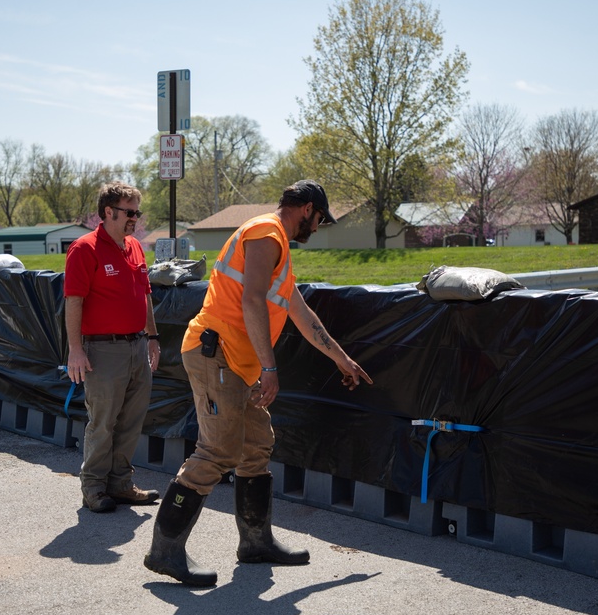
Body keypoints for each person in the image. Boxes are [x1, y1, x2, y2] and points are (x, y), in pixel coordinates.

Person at [144, 179, 373, 586]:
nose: (317, 227)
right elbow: (251, 299)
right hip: (218, 356)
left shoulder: (278, 250)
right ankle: (164, 551)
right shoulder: (267, 232)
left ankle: (255, 542)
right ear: (305, 208)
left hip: (236, 364)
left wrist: (343, 359)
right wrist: (270, 369)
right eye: (318, 218)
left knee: (256, 446)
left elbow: (303, 316)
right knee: (217, 451)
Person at [64, 181, 161, 513]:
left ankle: (120, 483)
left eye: (137, 211)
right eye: (129, 212)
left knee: (132, 419)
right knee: (103, 421)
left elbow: (144, 295)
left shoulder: (134, 246)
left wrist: (152, 338)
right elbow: (73, 302)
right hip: (103, 350)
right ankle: (93, 487)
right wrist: (75, 350)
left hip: (136, 346)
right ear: (108, 212)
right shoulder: (84, 248)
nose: (135, 218)